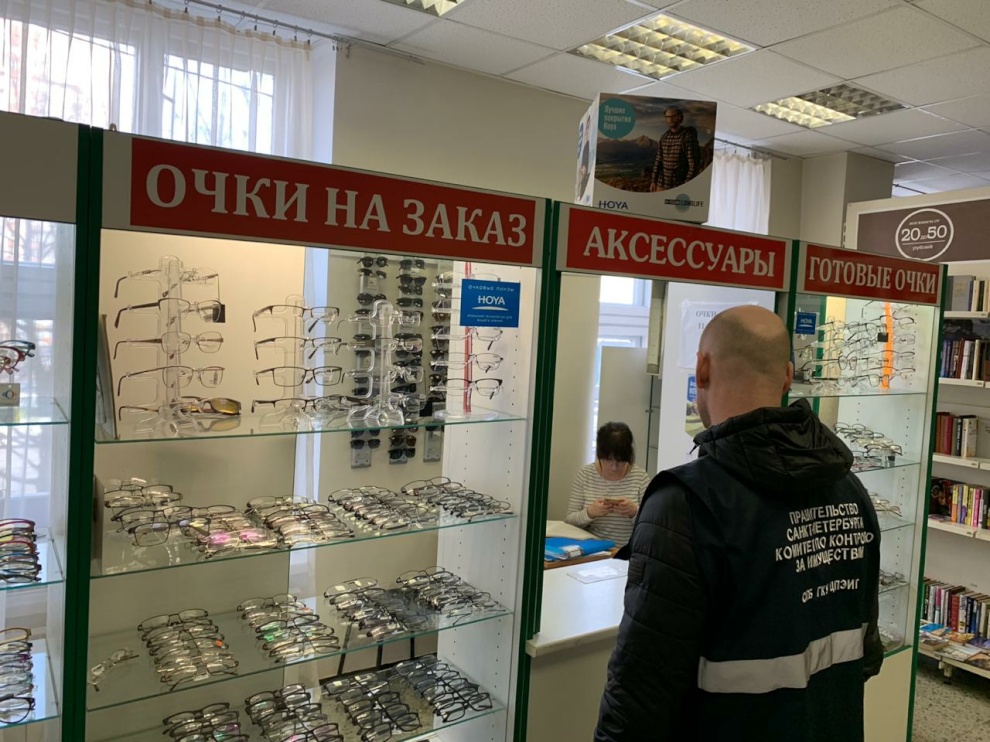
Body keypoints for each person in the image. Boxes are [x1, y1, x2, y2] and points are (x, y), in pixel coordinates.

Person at [595, 306, 883, 742]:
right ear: (787, 377)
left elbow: (640, 696)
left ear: (702, 369)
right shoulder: (851, 491)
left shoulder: (683, 504)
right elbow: (866, 656)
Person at [565, 422, 651, 545]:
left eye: (620, 461)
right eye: (608, 459)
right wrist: (590, 512)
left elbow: (651, 525)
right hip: (592, 549)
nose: (614, 467)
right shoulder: (585, 474)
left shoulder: (641, 477)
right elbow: (569, 522)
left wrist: (634, 512)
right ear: (600, 454)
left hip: (627, 550)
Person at [650, 106, 700, 192]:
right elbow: (658, 161)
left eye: (673, 116)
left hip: (679, 185)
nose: (670, 119)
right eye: (667, 117)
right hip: (661, 184)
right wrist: (653, 181)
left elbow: (693, 165)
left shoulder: (687, 137)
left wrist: (686, 185)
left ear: (679, 117)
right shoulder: (664, 137)